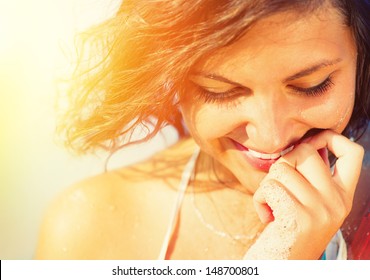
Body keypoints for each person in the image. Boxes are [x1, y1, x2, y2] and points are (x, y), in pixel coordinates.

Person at [35, 0, 370, 260]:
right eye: (218, 90)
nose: (271, 137)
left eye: (312, 85)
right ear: (171, 77)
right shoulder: (89, 226)